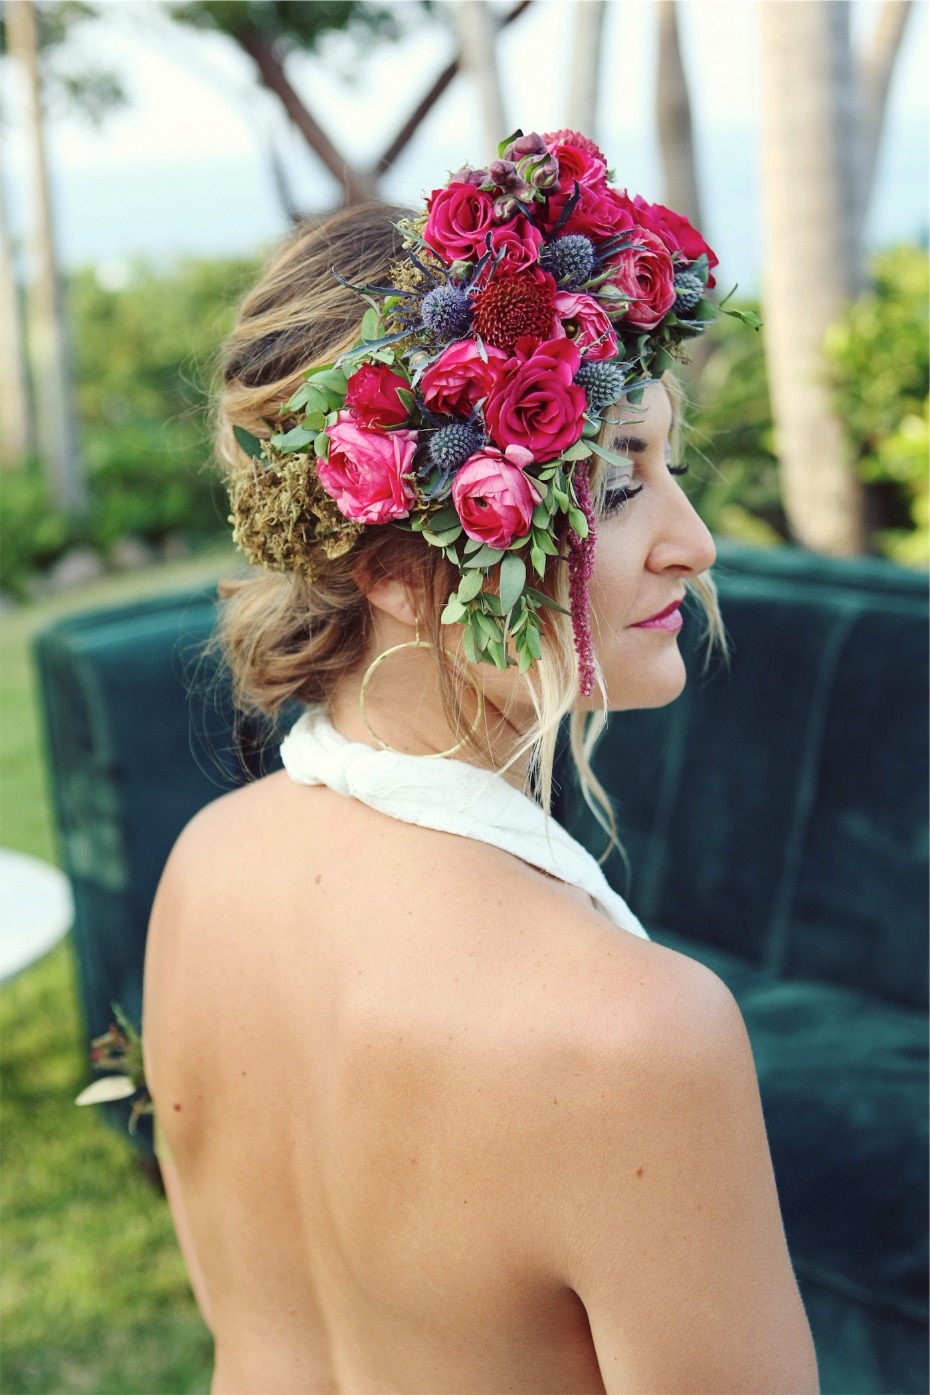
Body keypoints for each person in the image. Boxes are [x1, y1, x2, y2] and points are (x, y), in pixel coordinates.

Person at [143, 130, 818, 1395]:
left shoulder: (204, 870)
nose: (696, 543)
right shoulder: (636, 1036)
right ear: (393, 565)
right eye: (612, 485)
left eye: (668, 467)